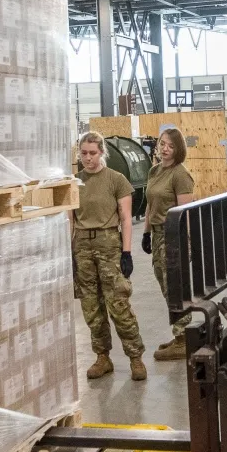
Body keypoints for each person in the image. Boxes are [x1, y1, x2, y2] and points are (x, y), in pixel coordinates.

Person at [70, 131, 145, 382]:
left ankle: (135, 356)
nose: (87, 158)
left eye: (92, 153)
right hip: (82, 244)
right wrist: (69, 253)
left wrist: (126, 252)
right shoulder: (75, 182)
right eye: (83, 153)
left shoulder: (117, 180)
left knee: (119, 303)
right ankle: (102, 356)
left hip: (109, 243)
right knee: (91, 305)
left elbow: (125, 219)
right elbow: (70, 221)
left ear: (102, 152)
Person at [141, 127, 196, 362]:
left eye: (170, 145)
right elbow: (150, 205)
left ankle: (184, 338)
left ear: (178, 149)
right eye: (162, 143)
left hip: (173, 234)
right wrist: (145, 233)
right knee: (165, 286)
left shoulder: (180, 174)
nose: (164, 148)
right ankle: (179, 334)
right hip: (156, 234)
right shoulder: (154, 171)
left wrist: (182, 244)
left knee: (174, 286)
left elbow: (185, 213)